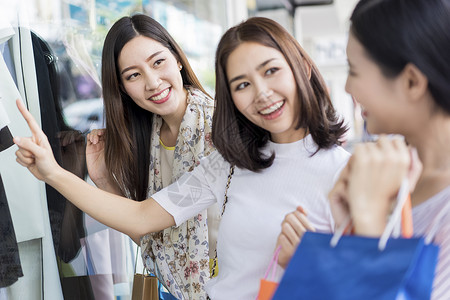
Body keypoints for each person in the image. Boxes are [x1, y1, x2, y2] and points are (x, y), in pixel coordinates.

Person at [14, 17, 350, 299]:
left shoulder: (346, 174)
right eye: (242, 84)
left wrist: (310, 264)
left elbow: (366, 282)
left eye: (271, 71)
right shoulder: (230, 159)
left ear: (303, 67)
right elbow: (144, 221)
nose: (261, 93)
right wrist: (54, 173)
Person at [278, 0, 450, 298]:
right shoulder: (394, 173)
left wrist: (368, 225)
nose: (346, 88)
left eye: (354, 70)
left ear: (411, 81)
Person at [85, 14, 219, 299]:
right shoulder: (148, 139)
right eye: (133, 75)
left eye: (158, 62)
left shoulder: (221, 129)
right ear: (121, 88)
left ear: (178, 59)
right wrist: (104, 180)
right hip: (172, 291)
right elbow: (149, 238)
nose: (152, 82)